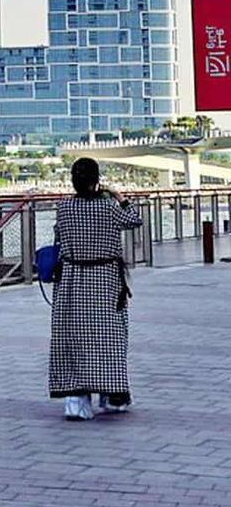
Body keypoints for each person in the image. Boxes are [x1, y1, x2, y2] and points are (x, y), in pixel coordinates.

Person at [49, 157, 143, 421]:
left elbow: (59, 235)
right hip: (105, 280)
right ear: (96, 181)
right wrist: (119, 196)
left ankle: (76, 401)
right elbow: (135, 220)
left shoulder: (64, 207)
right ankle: (113, 395)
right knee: (108, 339)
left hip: (72, 281)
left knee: (73, 338)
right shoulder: (108, 207)